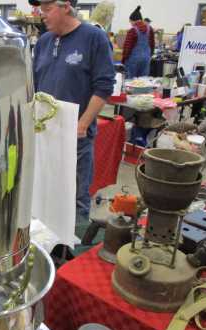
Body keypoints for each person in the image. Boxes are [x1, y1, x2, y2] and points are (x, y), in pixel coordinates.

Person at [31, 0, 115, 219]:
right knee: (45, 192)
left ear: (66, 7)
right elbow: (33, 84)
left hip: (75, 137)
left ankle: (74, 251)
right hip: (45, 135)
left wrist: (83, 123)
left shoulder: (94, 38)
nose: (43, 15)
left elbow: (104, 86)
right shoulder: (44, 42)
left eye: (48, 10)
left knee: (76, 196)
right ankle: (49, 245)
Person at [122, 6, 155, 78]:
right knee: (143, 82)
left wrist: (123, 60)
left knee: (130, 82)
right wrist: (149, 55)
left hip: (133, 61)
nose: (130, 23)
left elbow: (127, 48)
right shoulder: (150, 29)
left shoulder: (132, 30)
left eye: (130, 21)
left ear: (133, 20)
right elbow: (152, 45)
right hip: (146, 59)